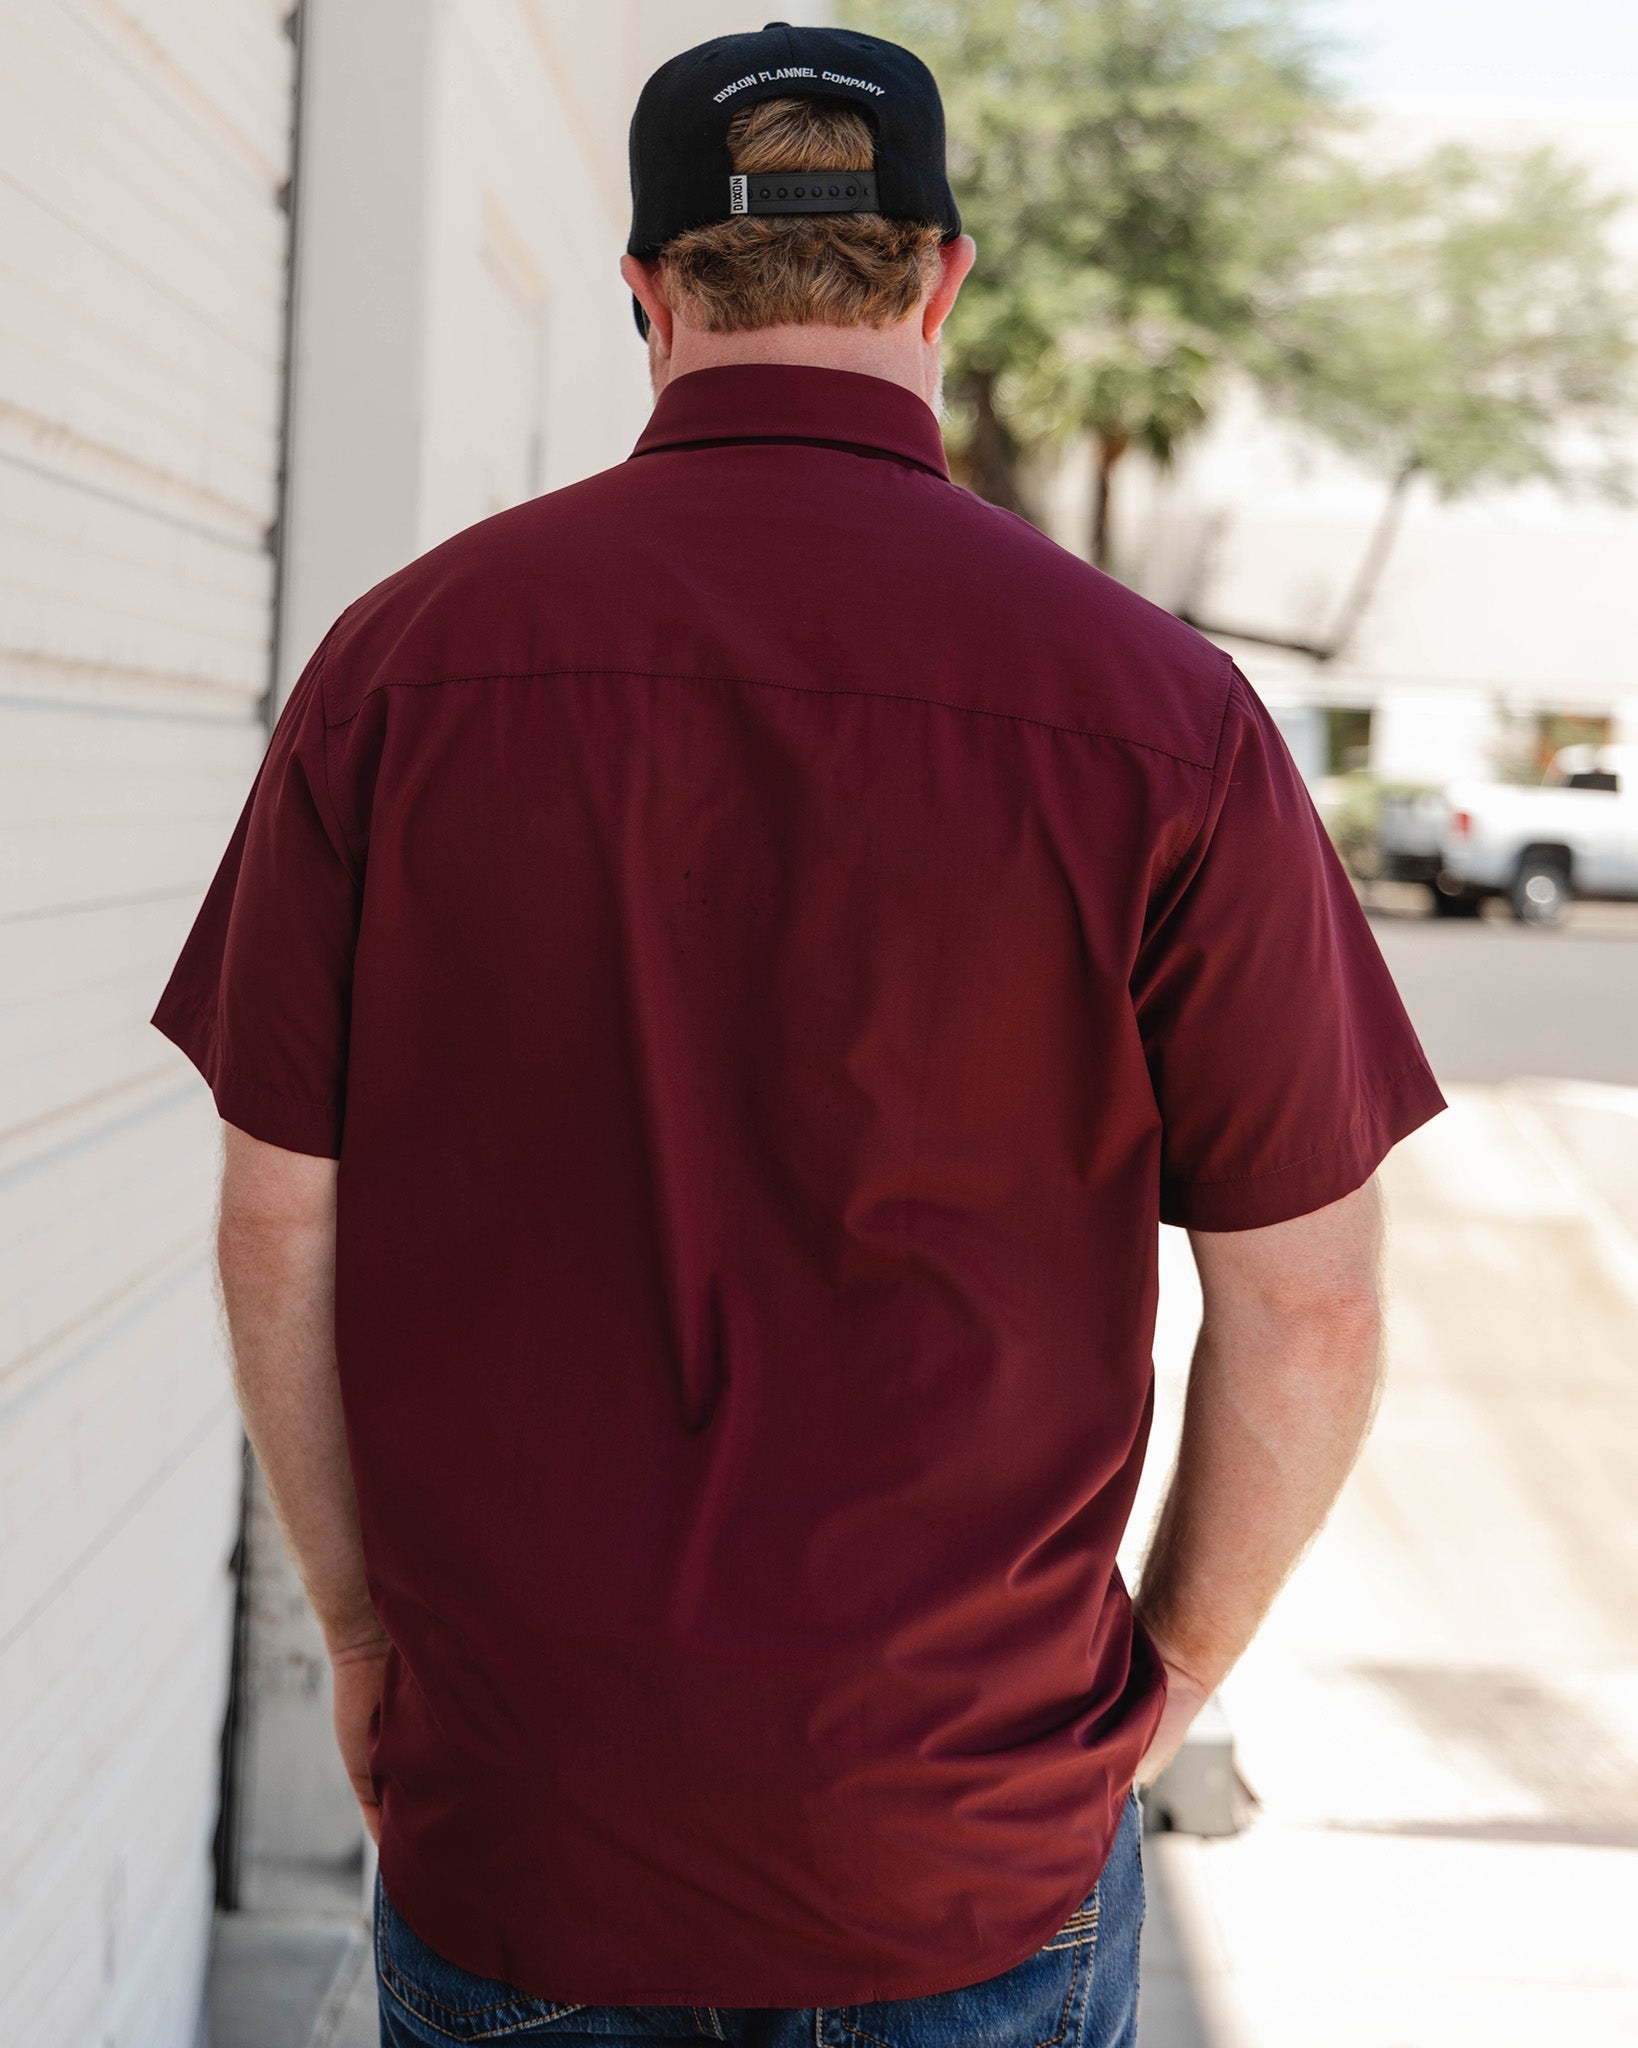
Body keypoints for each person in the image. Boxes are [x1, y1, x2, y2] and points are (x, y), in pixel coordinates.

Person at [153, 21, 1445, 2048]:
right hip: (969, 1843)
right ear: (943, 282)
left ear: (646, 294)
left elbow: (273, 1224)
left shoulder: (399, 670)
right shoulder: (1165, 715)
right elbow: (1315, 1306)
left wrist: (364, 1634)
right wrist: (1169, 1684)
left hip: (530, 1822)